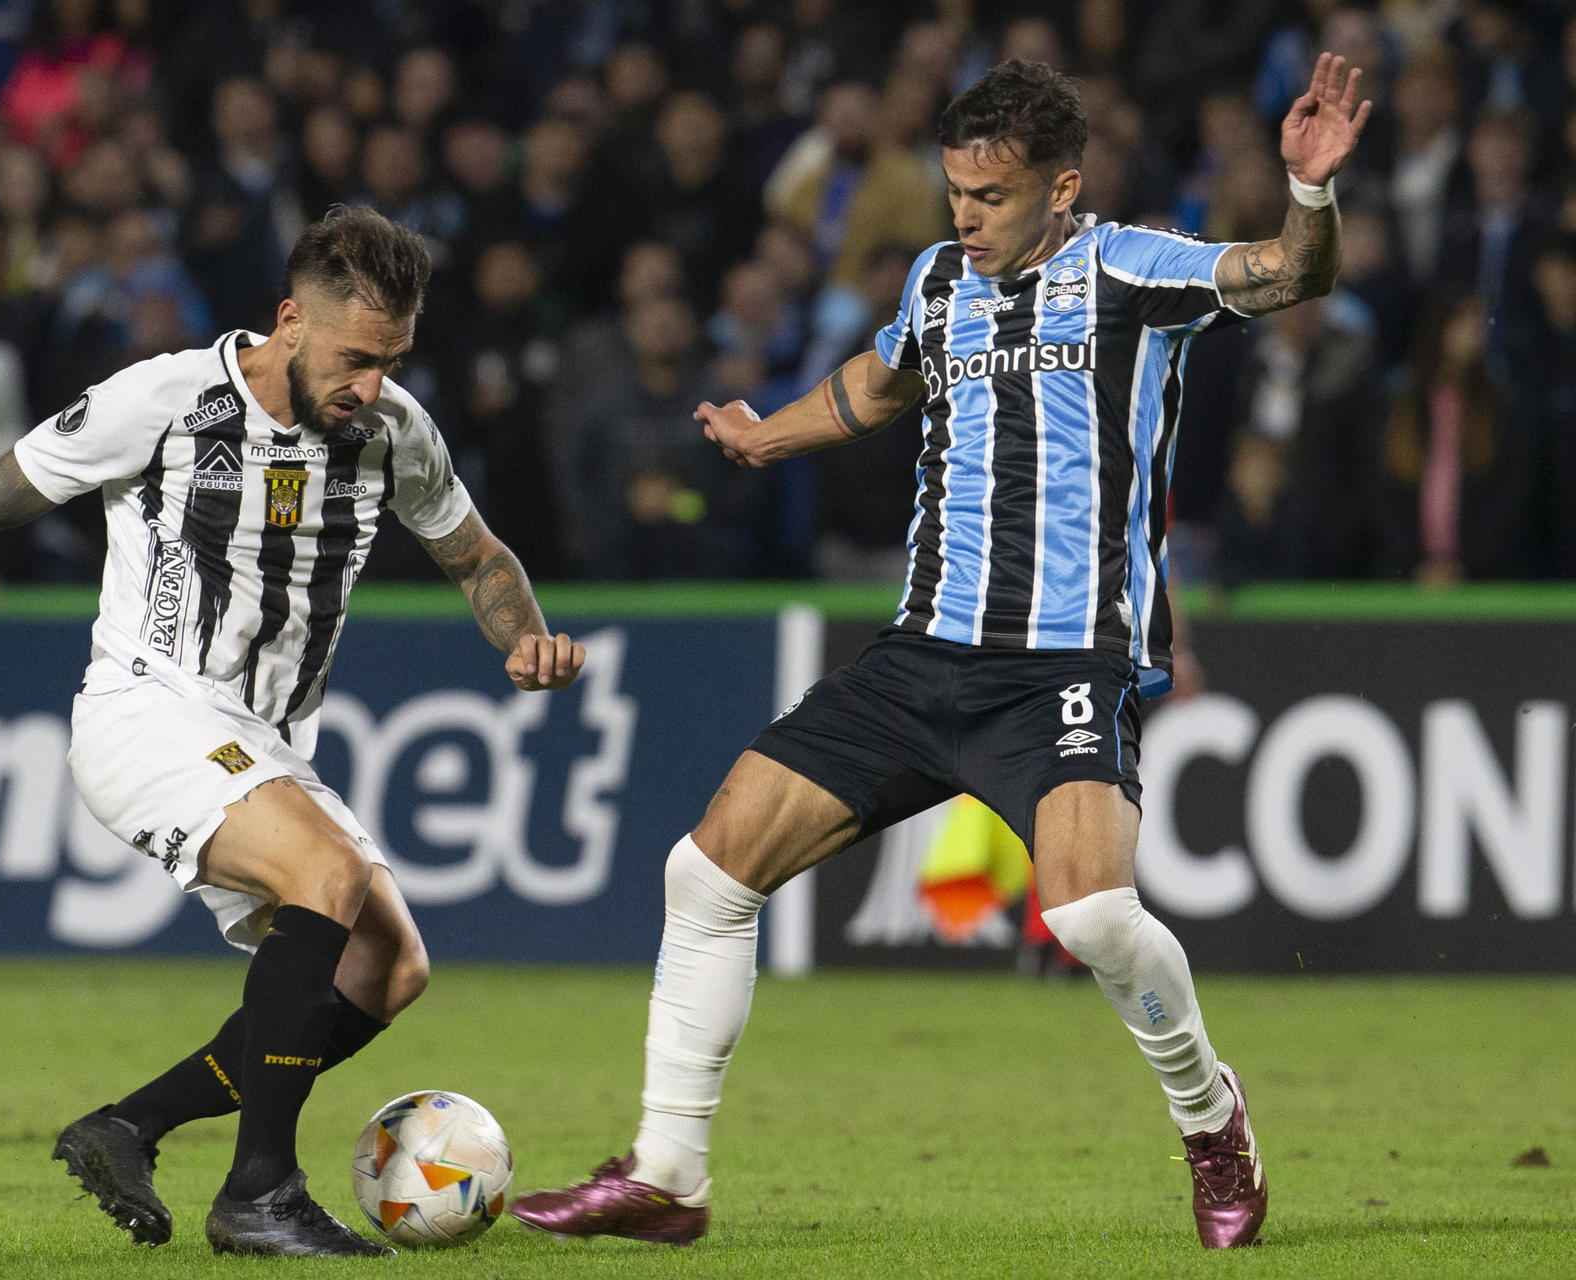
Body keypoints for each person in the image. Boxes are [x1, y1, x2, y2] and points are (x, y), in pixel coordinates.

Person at [511, 54, 1371, 1252]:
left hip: (1067, 660)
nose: (964, 218)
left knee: (1094, 918)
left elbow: (1287, 273)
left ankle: (1210, 1115)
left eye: (992, 197)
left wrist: (1308, 193)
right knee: (705, 873)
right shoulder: (935, 278)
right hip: (923, 656)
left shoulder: (1130, 266)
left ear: (1061, 188)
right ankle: (668, 1169)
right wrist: (769, 438)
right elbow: (876, 382)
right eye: (955, 191)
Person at [0, 205, 586, 1259]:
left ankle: (128, 1125)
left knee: (390, 969)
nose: (369, 386)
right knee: (328, 875)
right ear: (291, 320)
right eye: (354, 359)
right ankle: (260, 1189)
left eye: (391, 361)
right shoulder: (165, 398)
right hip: (146, 707)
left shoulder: (394, 430)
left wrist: (522, 637)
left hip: (264, 739)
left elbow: (480, 556)